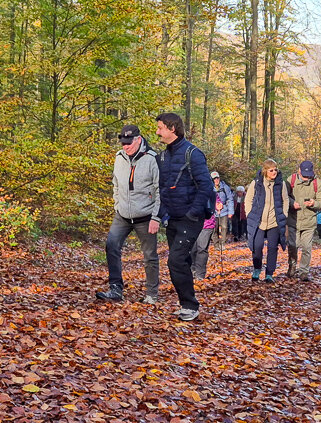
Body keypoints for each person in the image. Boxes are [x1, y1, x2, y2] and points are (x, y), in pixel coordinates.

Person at [154, 112, 214, 321]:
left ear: (172, 128)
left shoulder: (193, 154)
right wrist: (163, 213)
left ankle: (190, 306)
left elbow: (206, 186)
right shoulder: (162, 156)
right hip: (172, 218)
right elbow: (161, 187)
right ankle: (186, 304)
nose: (157, 131)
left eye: (160, 127)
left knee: (175, 260)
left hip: (191, 218)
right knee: (182, 261)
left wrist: (192, 213)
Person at [97, 123, 160, 304]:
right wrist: (117, 203)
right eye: (123, 143)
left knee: (150, 256)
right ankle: (115, 289)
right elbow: (115, 183)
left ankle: (151, 294)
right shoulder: (119, 157)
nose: (126, 146)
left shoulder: (152, 159)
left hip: (146, 216)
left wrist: (156, 217)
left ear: (138, 139)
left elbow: (160, 190)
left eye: (129, 143)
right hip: (122, 215)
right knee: (111, 245)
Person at [244, 158, 287, 281]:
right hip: (259, 221)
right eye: (271, 170)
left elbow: (286, 200)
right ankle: (257, 269)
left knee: (273, 247)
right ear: (265, 171)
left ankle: (269, 274)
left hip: (274, 221)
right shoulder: (256, 183)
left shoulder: (281, 184)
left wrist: (284, 214)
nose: (274, 172)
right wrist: (249, 214)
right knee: (257, 246)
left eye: (275, 170)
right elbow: (248, 199)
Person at [287, 158, 321, 279]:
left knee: (306, 248)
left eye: (308, 176)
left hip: (309, 221)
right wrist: (292, 203)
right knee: (293, 246)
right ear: (299, 171)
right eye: (304, 176)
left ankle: (304, 271)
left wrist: (314, 203)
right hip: (293, 220)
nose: (306, 178)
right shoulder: (290, 180)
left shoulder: (317, 183)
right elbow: (284, 196)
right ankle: (292, 265)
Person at [213, 171, 235, 243]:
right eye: (214, 178)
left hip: (224, 211)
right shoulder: (209, 187)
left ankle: (223, 244)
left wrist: (230, 212)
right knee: (214, 229)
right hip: (213, 212)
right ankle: (216, 244)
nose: (216, 180)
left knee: (224, 227)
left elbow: (230, 199)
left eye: (217, 178)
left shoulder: (225, 187)